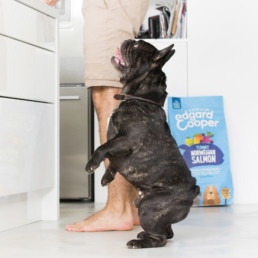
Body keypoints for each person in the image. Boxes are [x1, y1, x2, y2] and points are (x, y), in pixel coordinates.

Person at [40, 0, 149, 231]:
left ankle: (118, 209)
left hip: (109, 7)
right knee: (120, 100)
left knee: (109, 96)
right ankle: (128, 206)